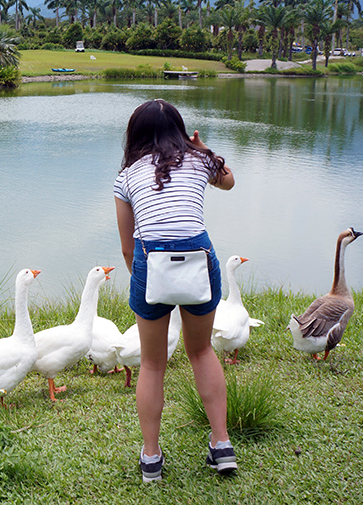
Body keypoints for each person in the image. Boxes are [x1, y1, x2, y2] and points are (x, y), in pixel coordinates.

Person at [113, 99, 236, 483]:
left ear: (135, 134)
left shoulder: (127, 176)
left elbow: (128, 248)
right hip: (200, 260)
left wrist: (146, 281)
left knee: (152, 364)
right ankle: (222, 445)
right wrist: (203, 150)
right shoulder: (199, 162)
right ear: (180, 133)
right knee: (201, 351)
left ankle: (151, 457)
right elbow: (229, 180)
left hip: (151, 263)